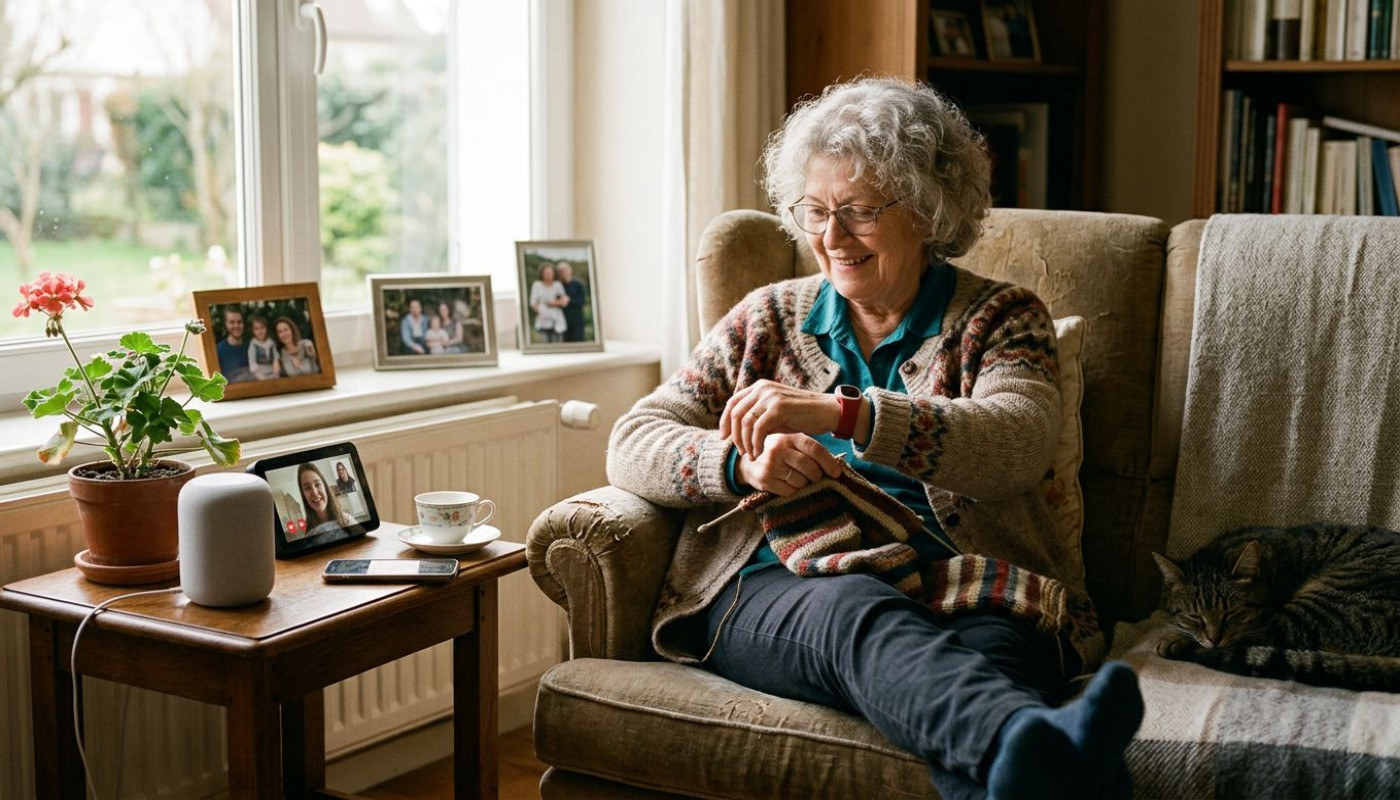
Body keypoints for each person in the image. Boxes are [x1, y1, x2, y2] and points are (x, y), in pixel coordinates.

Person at [606, 77, 1143, 800]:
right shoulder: (765, 319)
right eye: (816, 211)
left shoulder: (1003, 318)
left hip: (970, 583)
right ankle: (1045, 750)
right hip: (790, 582)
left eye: (858, 212)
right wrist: (740, 463)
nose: (830, 237)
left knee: (993, 669)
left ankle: (1034, 756)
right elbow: (634, 438)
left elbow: (1015, 443)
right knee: (858, 610)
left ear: (928, 210)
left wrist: (844, 414)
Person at [297, 462, 355, 536]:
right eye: (307, 488)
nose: (314, 492)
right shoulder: (309, 536)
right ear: (303, 494)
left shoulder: (347, 521)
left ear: (325, 487)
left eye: (317, 484)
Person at [529, 263, 568, 343]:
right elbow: (533, 303)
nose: (549, 275)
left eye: (551, 272)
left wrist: (553, 303)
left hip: (557, 321)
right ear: (542, 274)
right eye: (546, 273)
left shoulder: (557, 285)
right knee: (545, 345)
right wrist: (541, 310)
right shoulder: (537, 285)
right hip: (543, 321)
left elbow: (565, 301)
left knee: (558, 345)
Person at [214, 306, 254, 383]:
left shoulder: (252, 345)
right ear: (226, 324)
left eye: (239, 322)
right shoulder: (218, 350)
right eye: (232, 322)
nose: (236, 326)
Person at [556, 262, 588, 342]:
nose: (563, 273)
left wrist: (569, 300)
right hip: (562, 323)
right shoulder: (557, 286)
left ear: (570, 271)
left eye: (565, 270)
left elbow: (582, 301)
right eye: (560, 271)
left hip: (577, 323)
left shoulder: (578, 285)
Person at [246, 314, 281, 380]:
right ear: (253, 331)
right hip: (259, 374)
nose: (260, 331)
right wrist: (261, 376)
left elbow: (276, 355)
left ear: (266, 328)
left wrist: (276, 362)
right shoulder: (253, 344)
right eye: (256, 329)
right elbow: (252, 362)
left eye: (262, 328)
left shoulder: (271, 342)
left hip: (272, 371)